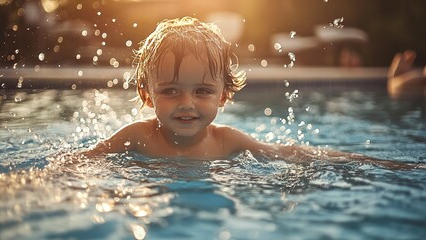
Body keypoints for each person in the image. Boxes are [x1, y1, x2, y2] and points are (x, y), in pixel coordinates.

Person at [83, 17, 422, 170]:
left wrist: (379, 163)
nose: (186, 104)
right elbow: (78, 163)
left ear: (222, 96)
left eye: (202, 91)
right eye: (170, 91)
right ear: (147, 96)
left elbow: (292, 153)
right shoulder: (136, 137)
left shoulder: (226, 142)